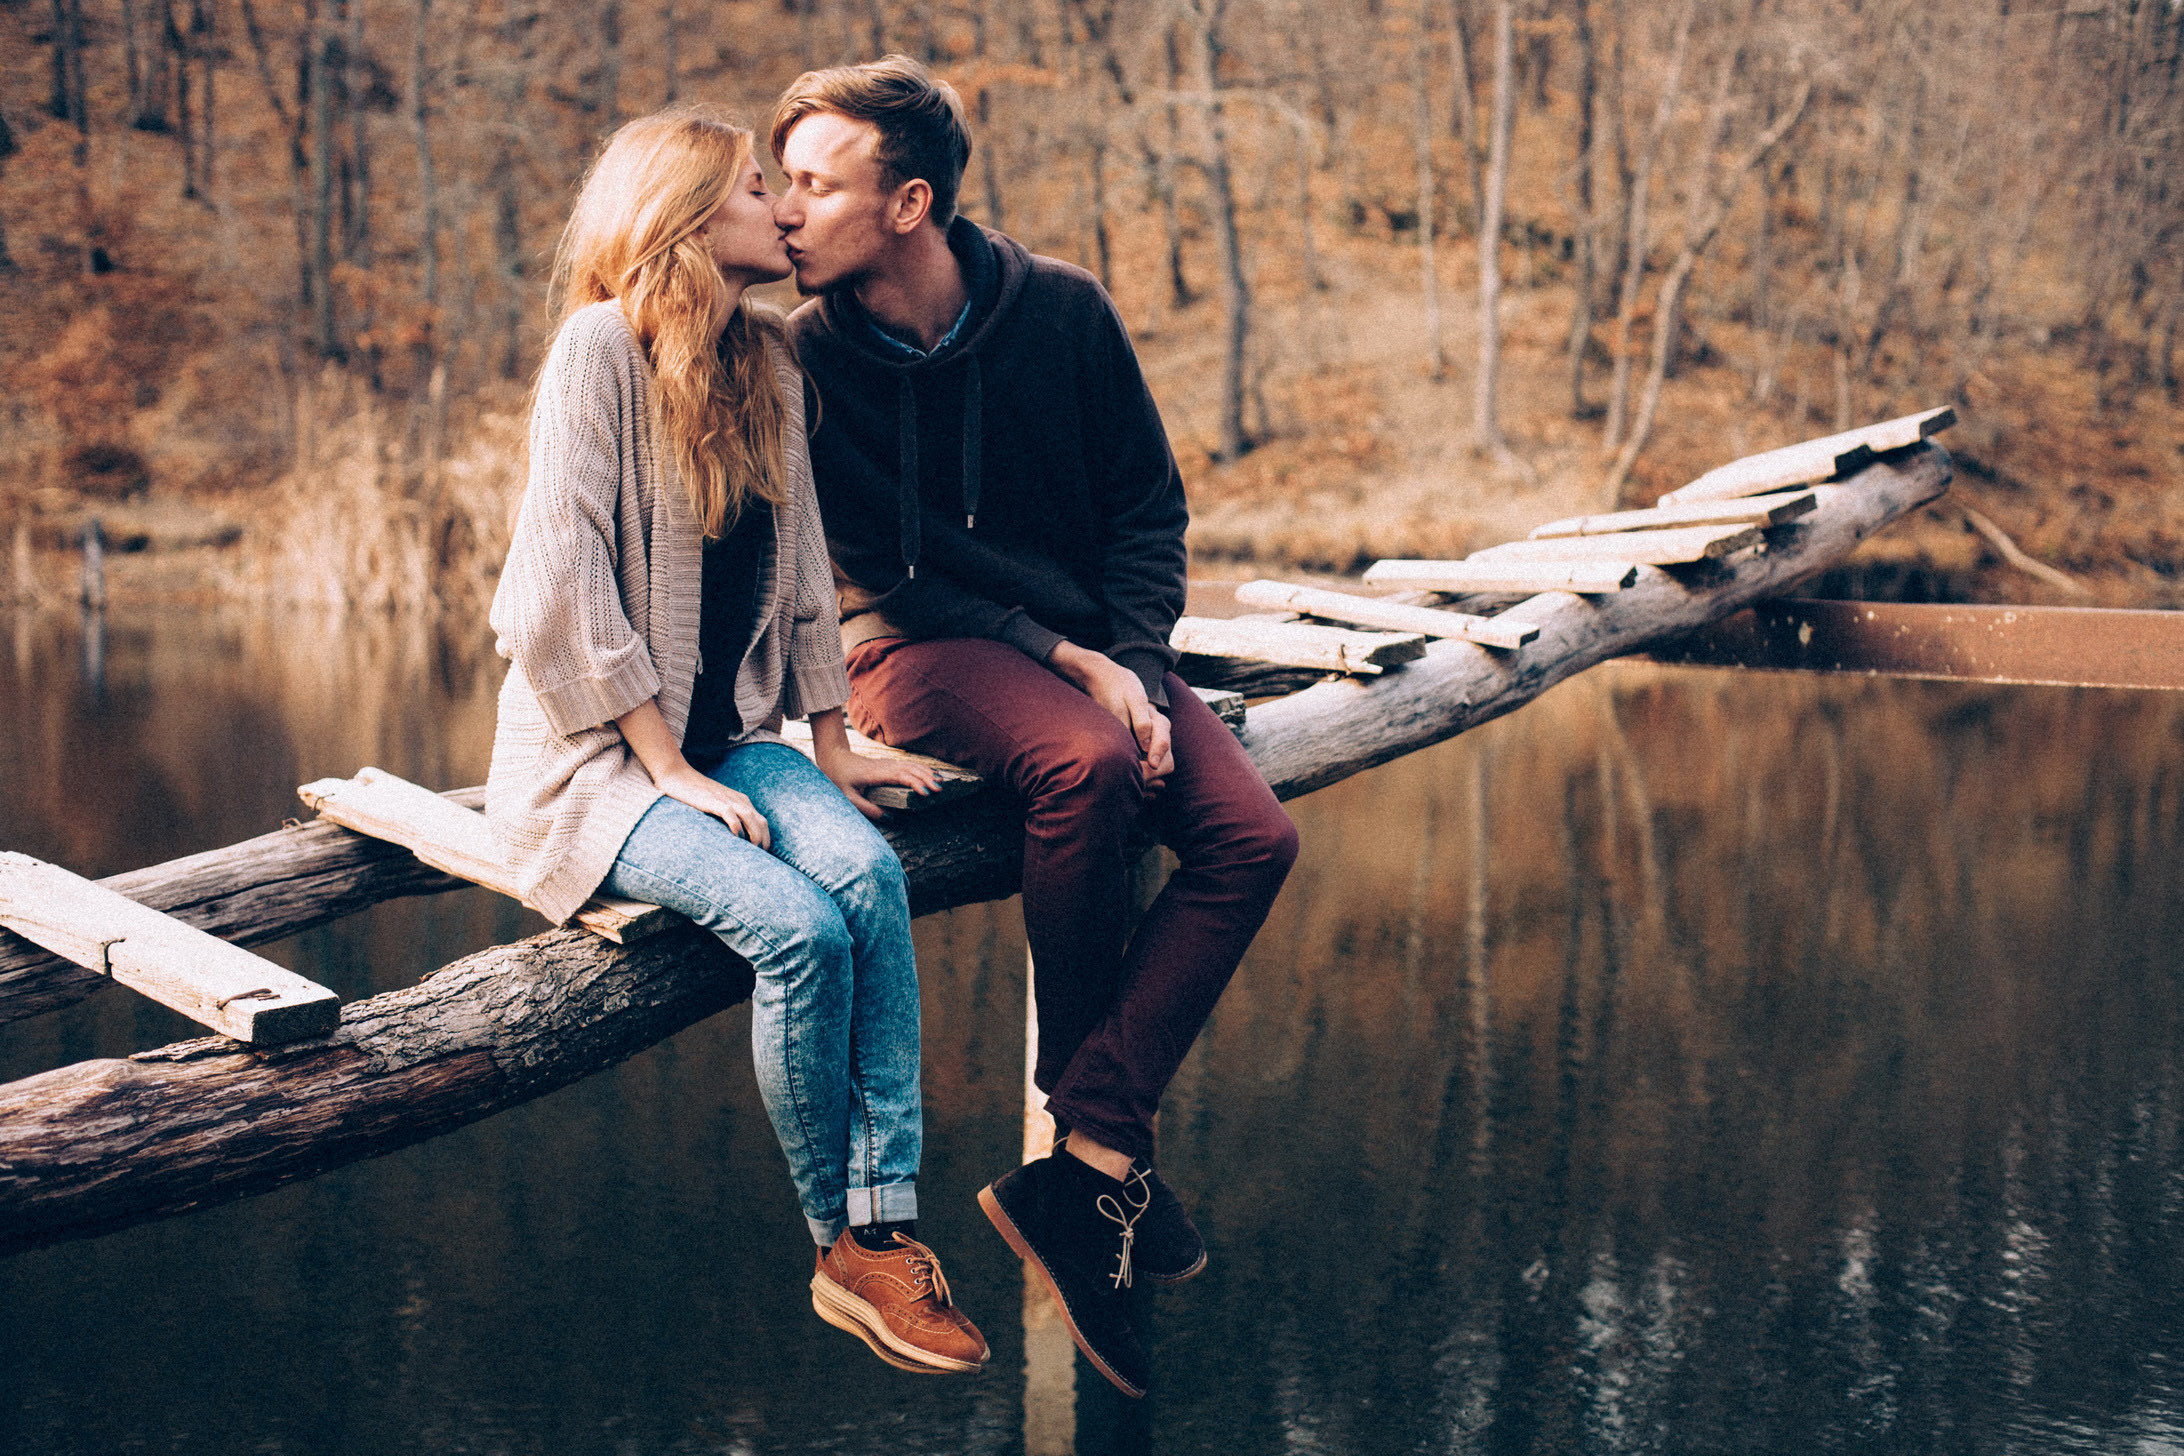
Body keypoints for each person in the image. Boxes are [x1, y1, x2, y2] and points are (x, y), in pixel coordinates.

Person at [771, 57, 1300, 1398]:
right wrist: (1083, 666)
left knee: (1252, 837)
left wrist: (1130, 654)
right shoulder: (808, 357)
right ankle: (1092, 1138)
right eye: (781, 183)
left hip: (1090, 651)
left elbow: (1146, 512)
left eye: (814, 184)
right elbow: (886, 574)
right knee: (1088, 762)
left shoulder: (1061, 312)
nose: (784, 212)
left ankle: (1089, 1157)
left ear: (910, 204)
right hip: (911, 651)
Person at [483, 105, 987, 1378]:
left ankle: (891, 1223)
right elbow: (550, 596)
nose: (784, 207)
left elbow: (808, 575)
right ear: (692, 216)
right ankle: (839, 1247)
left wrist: (833, 740)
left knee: (868, 874)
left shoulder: (767, 359)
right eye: (758, 189)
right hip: (596, 769)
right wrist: (669, 772)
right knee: (801, 929)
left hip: (738, 741)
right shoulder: (599, 350)